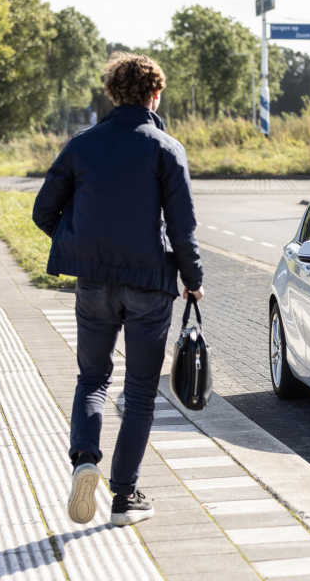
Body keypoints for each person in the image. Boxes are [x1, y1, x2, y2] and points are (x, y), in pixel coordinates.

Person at [33, 53, 204, 527]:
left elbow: (43, 211)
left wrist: (80, 246)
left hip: (94, 285)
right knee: (141, 392)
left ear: (112, 92)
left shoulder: (81, 145)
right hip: (150, 284)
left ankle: (85, 461)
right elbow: (183, 228)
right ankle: (124, 497)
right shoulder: (166, 148)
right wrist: (193, 280)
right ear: (155, 93)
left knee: (92, 378)